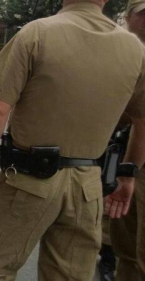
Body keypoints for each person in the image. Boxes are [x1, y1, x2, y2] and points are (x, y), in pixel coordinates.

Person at [0, 0, 145, 280]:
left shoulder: (37, 33)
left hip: (28, 181)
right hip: (88, 186)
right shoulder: (136, 49)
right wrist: (128, 174)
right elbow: (142, 119)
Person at [108, 1, 145, 280]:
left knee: (133, 246)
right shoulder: (118, 52)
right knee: (125, 243)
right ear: (129, 17)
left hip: (133, 162)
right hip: (122, 155)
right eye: (143, 15)